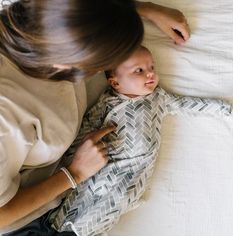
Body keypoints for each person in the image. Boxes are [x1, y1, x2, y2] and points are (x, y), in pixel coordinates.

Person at [0, 0, 190, 235]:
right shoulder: (7, 120)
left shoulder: (31, 18)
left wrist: (142, 10)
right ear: (67, 65)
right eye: (105, 64)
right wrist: (74, 173)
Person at [50, 46, 231, 236]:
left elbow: (185, 105)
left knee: (116, 201)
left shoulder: (158, 98)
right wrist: (70, 157)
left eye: (152, 67)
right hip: (105, 164)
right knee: (83, 197)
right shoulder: (108, 102)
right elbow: (87, 129)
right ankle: (61, 224)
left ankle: (84, 232)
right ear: (115, 82)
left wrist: (222, 108)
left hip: (135, 168)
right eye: (140, 70)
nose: (150, 73)